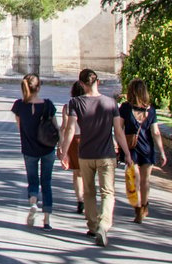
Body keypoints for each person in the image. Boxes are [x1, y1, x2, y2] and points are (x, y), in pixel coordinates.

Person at [59, 68, 134, 247]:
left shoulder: (76, 102)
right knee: (108, 192)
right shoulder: (110, 103)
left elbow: (69, 129)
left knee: (89, 192)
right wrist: (128, 154)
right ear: (97, 82)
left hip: (85, 154)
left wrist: (64, 151)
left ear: (82, 84)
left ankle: (92, 226)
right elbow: (118, 132)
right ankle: (104, 225)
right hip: (106, 154)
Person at [11, 73, 57, 228]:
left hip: (29, 149)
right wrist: (62, 146)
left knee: (33, 180)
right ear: (39, 87)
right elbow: (55, 128)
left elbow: (20, 127)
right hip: (47, 149)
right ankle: (47, 220)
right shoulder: (48, 105)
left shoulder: (19, 105)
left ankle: (33, 203)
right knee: (47, 182)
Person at [120, 78, 168, 223]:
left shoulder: (125, 108)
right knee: (145, 181)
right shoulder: (151, 110)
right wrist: (162, 152)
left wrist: (119, 146)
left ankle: (137, 209)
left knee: (133, 180)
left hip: (131, 149)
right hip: (147, 149)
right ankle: (144, 207)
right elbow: (156, 132)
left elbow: (119, 129)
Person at [64, 80, 85, 215]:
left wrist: (62, 147)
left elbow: (65, 128)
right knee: (88, 172)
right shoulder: (91, 105)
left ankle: (80, 199)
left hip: (74, 140)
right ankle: (87, 198)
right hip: (89, 140)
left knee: (77, 173)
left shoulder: (68, 107)